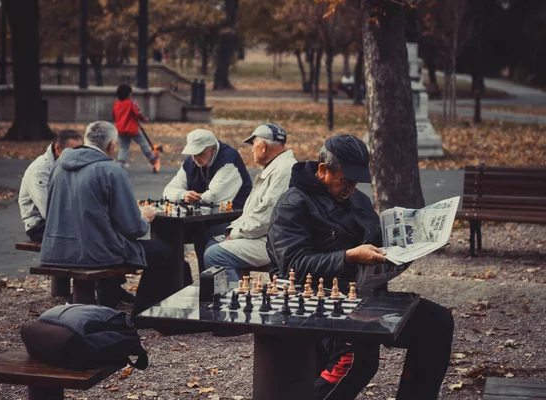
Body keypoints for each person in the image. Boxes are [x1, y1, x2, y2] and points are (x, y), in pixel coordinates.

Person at [266, 134, 454, 400]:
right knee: (356, 359)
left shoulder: (358, 201)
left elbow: (378, 240)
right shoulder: (292, 205)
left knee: (436, 323)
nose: (351, 189)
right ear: (323, 170)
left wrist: (406, 248)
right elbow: (292, 265)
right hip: (320, 302)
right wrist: (349, 256)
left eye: (355, 182)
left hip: (366, 296)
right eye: (345, 181)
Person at [40, 121, 172, 316]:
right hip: (94, 252)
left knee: (109, 240)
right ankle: (143, 314)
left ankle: (106, 304)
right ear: (111, 145)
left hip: (56, 249)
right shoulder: (112, 170)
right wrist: (145, 217)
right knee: (163, 251)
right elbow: (133, 228)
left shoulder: (58, 166)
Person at [203, 123, 297, 282]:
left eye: (253, 144)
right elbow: (253, 214)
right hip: (264, 235)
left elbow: (265, 219)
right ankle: (236, 291)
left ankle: (233, 301)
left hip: (274, 242)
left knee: (215, 254)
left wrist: (234, 234)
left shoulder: (284, 170)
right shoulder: (277, 167)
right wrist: (233, 232)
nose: (252, 149)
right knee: (211, 242)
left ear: (262, 146)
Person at [163, 128, 252, 271]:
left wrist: (191, 197)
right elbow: (168, 191)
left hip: (235, 219)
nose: (195, 158)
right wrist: (182, 195)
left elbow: (214, 197)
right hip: (205, 218)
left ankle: (207, 283)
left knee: (202, 233)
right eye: (193, 153)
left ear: (212, 149)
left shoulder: (229, 160)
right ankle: (178, 280)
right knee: (169, 231)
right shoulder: (191, 163)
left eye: (199, 153)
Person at [18, 130, 83, 243]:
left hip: (62, 219)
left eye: (80, 152)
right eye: (72, 152)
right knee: (86, 239)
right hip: (39, 225)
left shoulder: (68, 164)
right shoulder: (39, 170)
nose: (77, 156)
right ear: (57, 149)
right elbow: (48, 211)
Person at [113, 84, 160, 173]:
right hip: (132, 129)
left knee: (123, 148)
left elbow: (114, 115)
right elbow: (137, 113)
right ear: (128, 94)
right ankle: (153, 159)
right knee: (143, 143)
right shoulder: (131, 103)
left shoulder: (116, 104)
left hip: (121, 130)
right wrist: (144, 118)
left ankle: (120, 165)